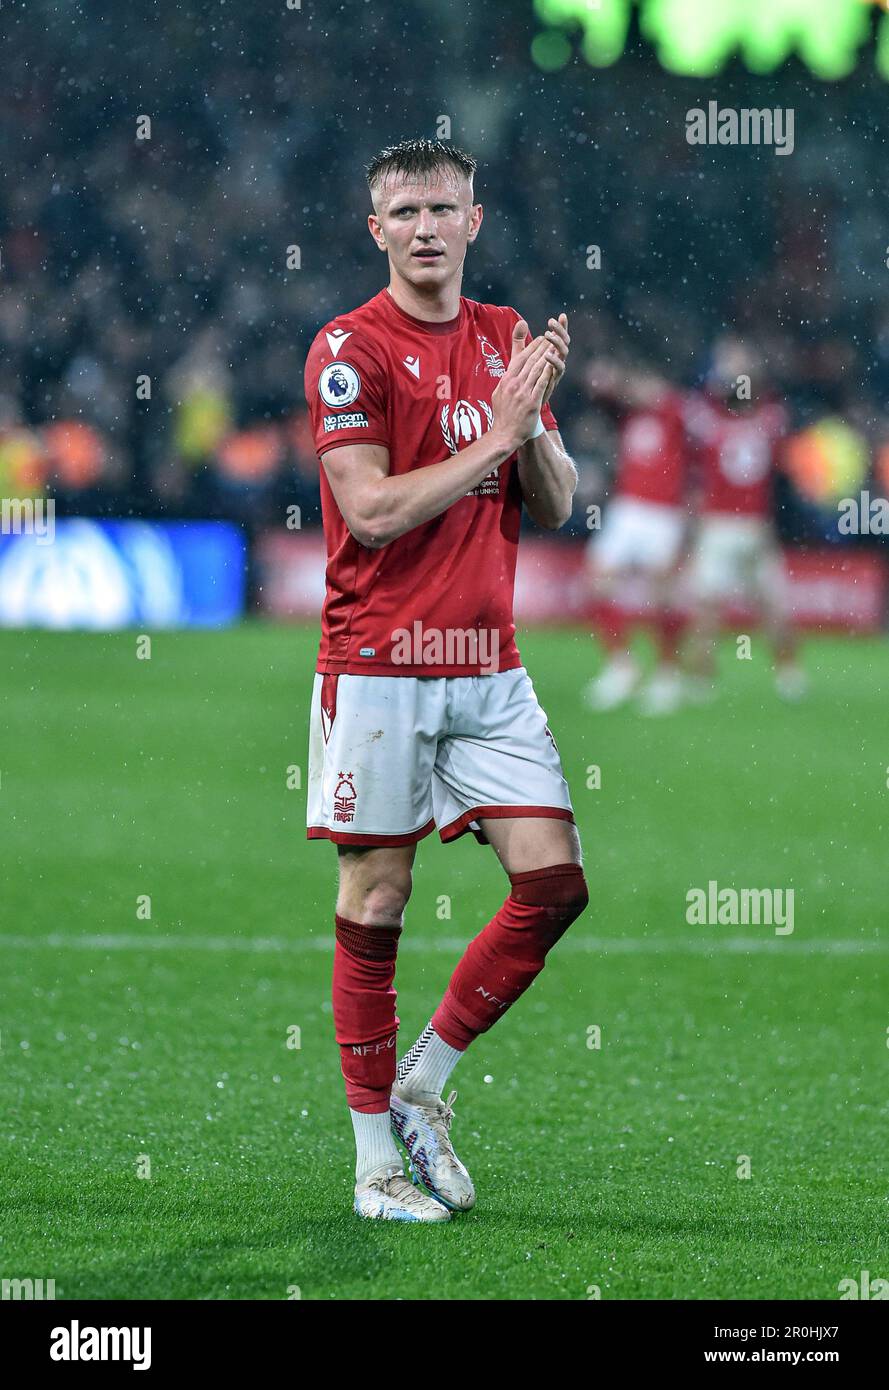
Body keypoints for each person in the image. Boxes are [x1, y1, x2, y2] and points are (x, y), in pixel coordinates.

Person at [302, 138, 589, 1222]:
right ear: (374, 230)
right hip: (378, 661)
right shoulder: (348, 347)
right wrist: (500, 435)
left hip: (488, 665)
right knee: (377, 900)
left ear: (476, 220)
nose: (426, 226)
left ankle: (424, 1081)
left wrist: (532, 431)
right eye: (405, 211)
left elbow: (555, 503)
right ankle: (374, 1164)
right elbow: (370, 510)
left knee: (554, 885)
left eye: (444, 208)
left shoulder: (505, 338)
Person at [684, 336, 806, 701]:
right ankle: (789, 676)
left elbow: (704, 399)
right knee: (769, 604)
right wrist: (744, 364)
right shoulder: (770, 419)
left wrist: (727, 365)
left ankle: (703, 681)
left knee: (712, 606)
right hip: (750, 525)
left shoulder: (710, 422)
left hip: (724, 525)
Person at [583, 359, 689, 715]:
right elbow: (606, 393)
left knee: (661, 594)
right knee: (597, 580)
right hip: (627, 509)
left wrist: (627, 385)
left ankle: (667, 673)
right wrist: (606, 381)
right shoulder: (629, 417)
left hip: (662, 513)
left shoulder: (674, 413)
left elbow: (658, 398)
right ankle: (621, 667)